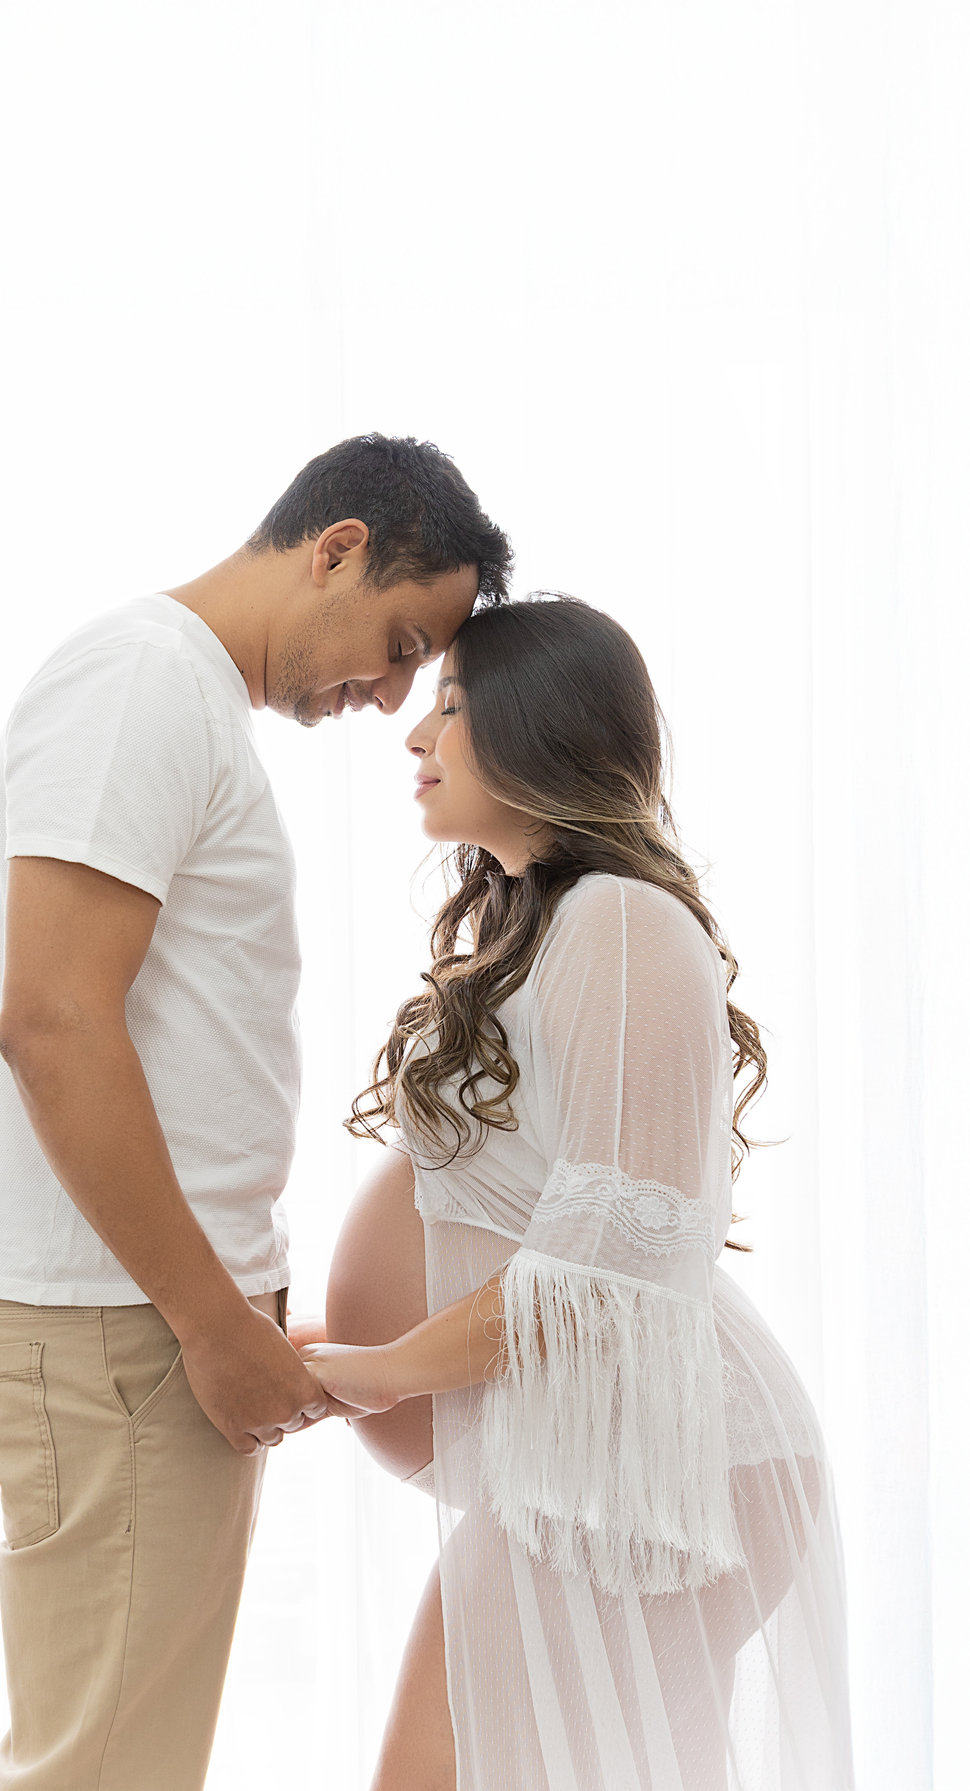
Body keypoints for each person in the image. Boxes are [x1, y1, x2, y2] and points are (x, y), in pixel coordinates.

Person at [0, 434, 512, 1791]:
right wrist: (210, 1322)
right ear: (339, 547)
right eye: (401, 639)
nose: (392, 696)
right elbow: (52, 1020)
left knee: (118, 1759)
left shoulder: (172, 696)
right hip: (119, 1328)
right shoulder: (143, 682)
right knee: (108, 1771)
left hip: (134, 1322)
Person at [303, 596, 854, 1790]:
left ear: (535, 726)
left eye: (449, 707)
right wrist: (335, 1344)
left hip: (663, 1462)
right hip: (605, 1459)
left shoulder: (622, 920)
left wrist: (378, 1368)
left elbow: (613, 1261)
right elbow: (508, 1220)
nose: (413, 735)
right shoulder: (548, 925)